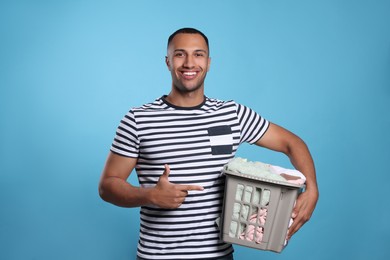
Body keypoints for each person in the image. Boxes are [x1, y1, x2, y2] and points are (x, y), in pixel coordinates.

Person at [99, 27, 319, 260]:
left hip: (218, 256)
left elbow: (292, 144)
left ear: (209, 62)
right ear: (168, 61)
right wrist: (150, 196)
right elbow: (108, 186)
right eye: (180, 54)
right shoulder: (138, 119)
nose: (189, 63)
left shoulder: (232, 114)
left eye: (198, 54)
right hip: (157, 256)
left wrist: (312, 189)